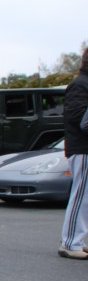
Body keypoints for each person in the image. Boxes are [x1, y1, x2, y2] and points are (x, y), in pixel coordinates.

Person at [58, 48, 88, 260]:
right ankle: (70, 242)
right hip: (83, 148)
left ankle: (79, 240)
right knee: (81, 196)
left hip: (82, 147)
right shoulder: (80, 84)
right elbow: (80, 119)